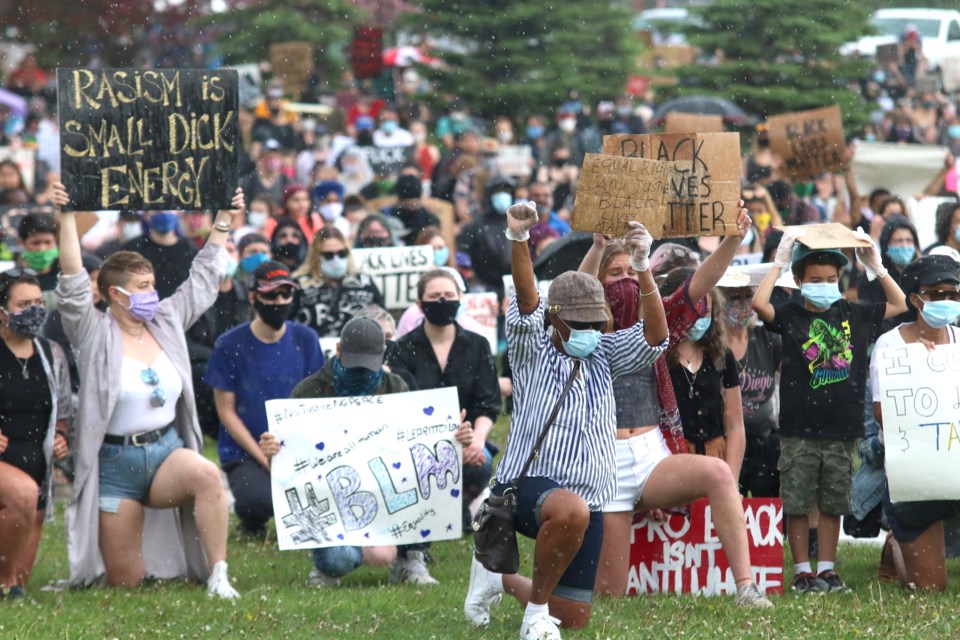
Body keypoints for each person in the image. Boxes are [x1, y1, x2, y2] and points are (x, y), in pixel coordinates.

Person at [464, 202, 668, 640]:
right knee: (569, 511)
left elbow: (655, 337)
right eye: (578, 322)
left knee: (574, 616)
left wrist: (643, 267)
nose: (589, 328)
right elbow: (527, 299)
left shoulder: (605, 352)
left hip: (590, 495)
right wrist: (519, 239)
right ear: (554, 320)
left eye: (597, 321)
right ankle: (535, 616)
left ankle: (496, 578)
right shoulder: (531, 349)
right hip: (526, 484)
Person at [54, 182, 245, 598]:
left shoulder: (165, 320)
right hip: (114, 465)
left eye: (152, 284)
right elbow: (70, 282)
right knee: (128, 582)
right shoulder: (92, 333)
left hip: (165, 452)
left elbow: (202, 278)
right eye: (142, 288)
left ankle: (218, 575)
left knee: (207, 474)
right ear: (114, 295)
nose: (152, 294)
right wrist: (67, 216)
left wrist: (225, 220)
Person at [579, 212, 773, 605]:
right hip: (605, 462)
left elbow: (698, 285)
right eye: (615, 275)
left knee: (719, 474)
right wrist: (598, 247)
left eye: (631, 272)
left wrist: (734, 240)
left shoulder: (655, 324)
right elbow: (573, 295)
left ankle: (746, 588)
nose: (625, 282)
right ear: (598, 285)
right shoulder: (582, 332)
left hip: (652, 454)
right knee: (610, 594)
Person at [258, 317, 474, 586]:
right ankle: (328, 564)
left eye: (368, 363)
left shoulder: (396, 387)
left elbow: (417, 446)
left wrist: (453, 437)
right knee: (338, 560)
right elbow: (289, 459)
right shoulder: (308, 393)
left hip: (388, 488)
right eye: (354, 363)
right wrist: (272, 451)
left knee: (418, 477)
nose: (361, 371)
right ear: (338, 351)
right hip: (335, 498)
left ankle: (410, 557)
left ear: (383, 354)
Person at [753, 228, 907, 593]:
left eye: (832, 279)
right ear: (800, 281)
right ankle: (802, 570)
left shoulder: (852, 314)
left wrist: (877, 267)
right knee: (798, 500)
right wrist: (778, 263)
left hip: (842, 429)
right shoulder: (790, 315)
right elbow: (760, 305)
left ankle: (827, 568)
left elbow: (901, 305)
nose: (825, 285)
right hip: (798, 429)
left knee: (832, 503)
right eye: (816, 280)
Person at [205, 260, 324, 537]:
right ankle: (252, 523)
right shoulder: (229, 344)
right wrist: (264, 458)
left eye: (286, 294)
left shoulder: (306, 339)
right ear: (253, 297)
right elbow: (227, 412)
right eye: (270, 295)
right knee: (256, 503)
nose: (279, 301)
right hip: (246, 452)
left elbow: (316, 400)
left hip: (299, 445)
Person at [871, 255, 960, 591]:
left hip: (955, 460)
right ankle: (896, 545)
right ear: (915, 298)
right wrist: (924, 371)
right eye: (937, 294)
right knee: (930, 590)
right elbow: (883, 413)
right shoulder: (890, 346)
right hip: (915, 474)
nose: (947, 302)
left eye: (953, 294)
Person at [389, 270, 501, 534]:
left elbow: (488, 403)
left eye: (449, 296)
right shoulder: (402, 349)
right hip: (416, 442)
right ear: (419, 305)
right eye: (434, 296)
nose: (442, 301)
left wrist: (477, 439)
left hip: (465, 437)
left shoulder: (478, 345)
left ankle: (461, 503)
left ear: (460, 299)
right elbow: (401, 404)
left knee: (480, 460)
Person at [0, 268, 72, 598]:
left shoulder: (51, 353)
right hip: (6, 462)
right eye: (23, 304)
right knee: (23, 495)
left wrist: (61, 437)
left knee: (21, 578)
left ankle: (9, 581)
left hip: (36, 461)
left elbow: (63, 412)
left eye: (39, 302)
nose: (34, 311)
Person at [718, 282, 782, 498]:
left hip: (763, 439)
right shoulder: (713, 344)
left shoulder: (767, 339)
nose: (744, 303)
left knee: (768, 509)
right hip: (725, 439)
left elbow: (798, 371)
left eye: (749, 296)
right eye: (735, 297)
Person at [293, 226, 383, 338]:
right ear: (316, 256)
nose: (336, 260)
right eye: (328, 255)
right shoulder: (301, 285)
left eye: (342, 253)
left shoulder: (364, 282)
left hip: (357, 351)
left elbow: (382, 318)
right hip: (314, 350)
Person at [121, 210, 197, 300]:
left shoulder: (191, 251)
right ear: (146, 214)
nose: (164, 214)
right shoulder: (132, 249)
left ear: (179, 212)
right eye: (158, 210)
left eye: (168, 209)